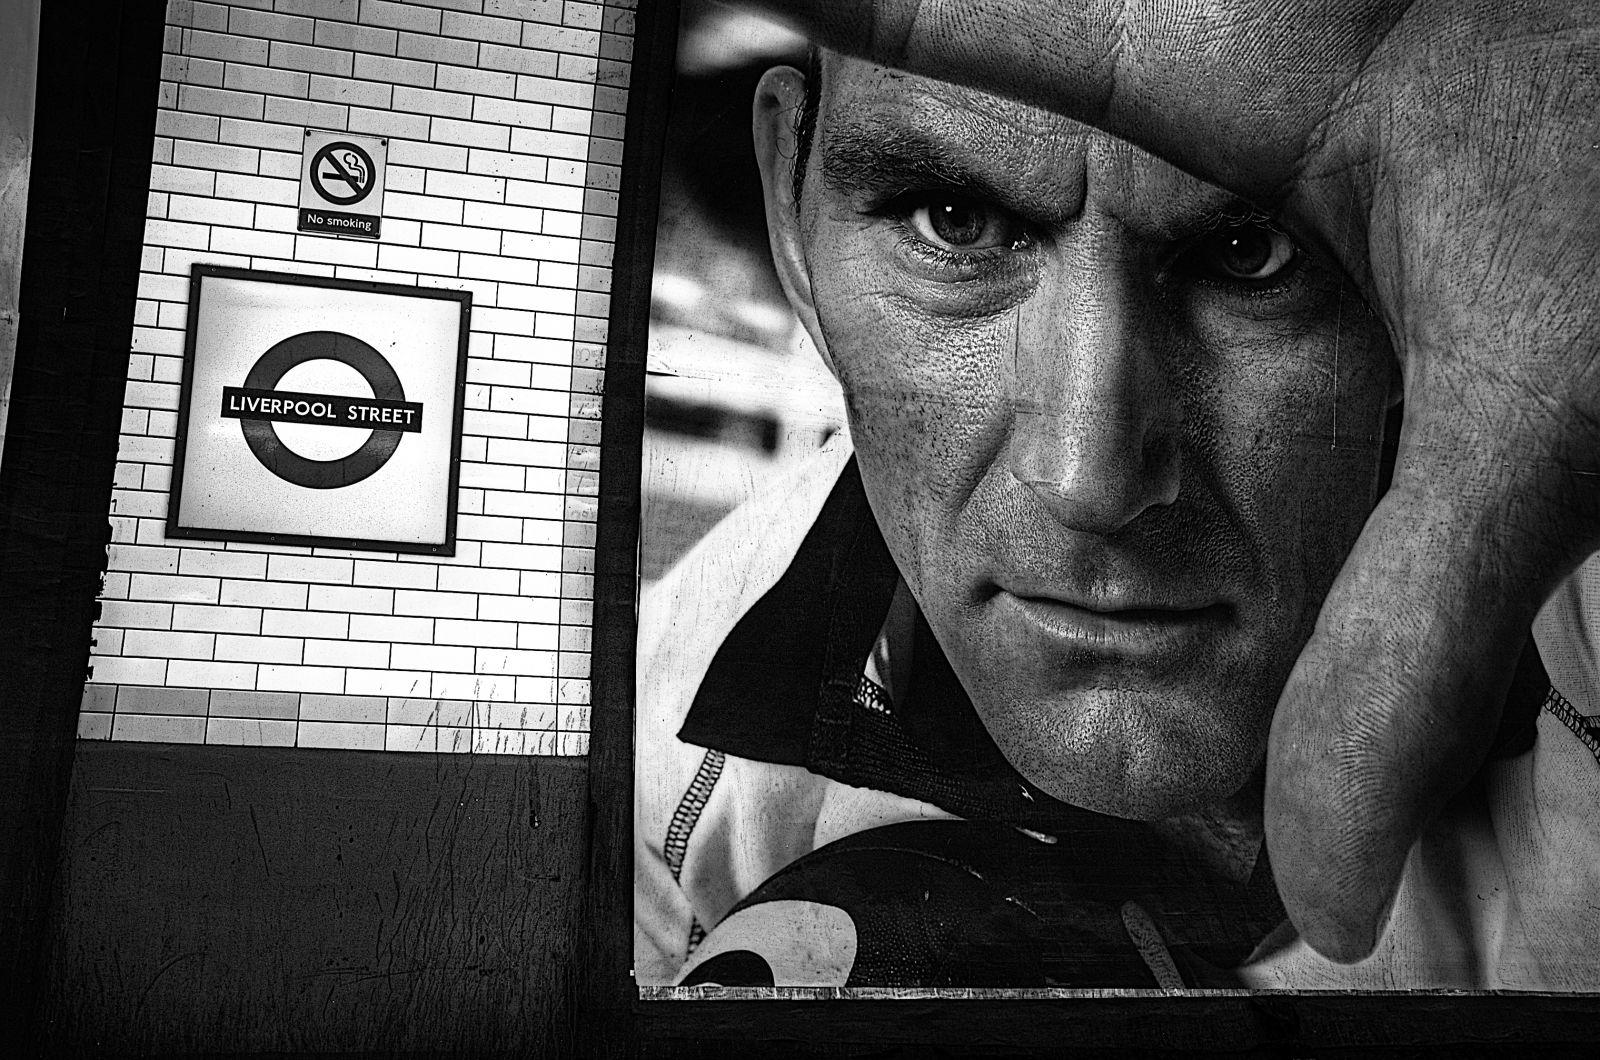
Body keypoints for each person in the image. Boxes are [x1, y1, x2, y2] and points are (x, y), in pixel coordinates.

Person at [633, 43, 1600, 990]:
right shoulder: (658, 744)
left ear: (1440, 268)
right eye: (956, 222)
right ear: (793, 223)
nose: (1087, 482)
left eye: (1248, 249)